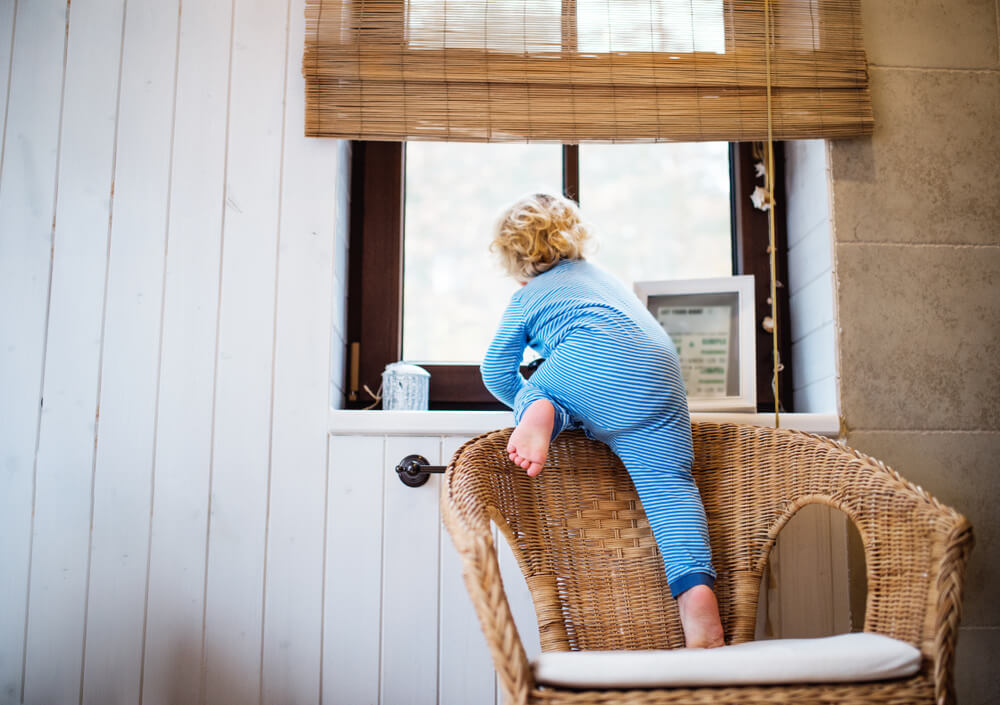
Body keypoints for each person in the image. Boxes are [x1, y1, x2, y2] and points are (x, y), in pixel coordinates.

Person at [481, 192, 725, 649]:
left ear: (511, 256)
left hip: (591, 361)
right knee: (671, 489)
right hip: (658, 377)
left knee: (544, 389)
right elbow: (624, 340)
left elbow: (495, 370)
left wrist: (532, 398)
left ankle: (543, 410)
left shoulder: (527, 297)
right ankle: (698, 605)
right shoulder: (605, 281)